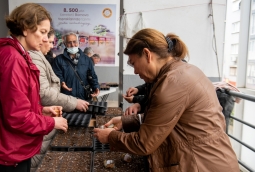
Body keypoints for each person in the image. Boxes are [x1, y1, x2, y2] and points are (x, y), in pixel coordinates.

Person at [93, 28, 239, 172]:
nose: (135, 71)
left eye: (133, 63)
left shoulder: (172, 83)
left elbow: (144, 143)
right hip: (212, 159)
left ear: (147, 54)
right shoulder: (184, 71)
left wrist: (111, 136)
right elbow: (167, 118)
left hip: (203, 164)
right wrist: (125, 121)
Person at [0, 3, 68, 172]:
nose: (46, 39)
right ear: (25, 29)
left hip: (5, 145)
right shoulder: (12, 59)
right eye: (42, 32)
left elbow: (15, 103)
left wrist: (41, 110)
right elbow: (17, 117)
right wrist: (51, 122)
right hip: (5, 150)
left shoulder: (16, 54)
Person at [29, 29, 89, 112]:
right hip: (64, 99)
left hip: (73, 98)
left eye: (74, 42)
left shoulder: (86, 59)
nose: (52, 46)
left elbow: (91, 74)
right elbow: (44, 93)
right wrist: (62, 81)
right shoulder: (40, 58)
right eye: (50, 42)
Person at [53, 32, 100, 101]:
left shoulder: (86, 59)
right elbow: (57, 75)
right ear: (65, 44)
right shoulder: (58, 60)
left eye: (74, 42)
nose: (72, 45)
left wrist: (96, 87)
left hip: (84, 97)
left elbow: (92, 76)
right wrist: (61, 82)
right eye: (69, 42)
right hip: (67, 99)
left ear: (78, 43)